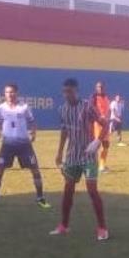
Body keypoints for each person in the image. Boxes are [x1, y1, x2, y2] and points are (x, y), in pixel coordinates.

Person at [51, 78, 109, 241]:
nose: (67, 95)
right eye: (65, 92)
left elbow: (105, 124)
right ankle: (64, 225)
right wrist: (59, 152)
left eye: (70, 91)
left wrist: (97, 141)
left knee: (92, 191)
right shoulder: (62, 109)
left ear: (76, 91)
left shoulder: (87, 106)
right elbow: (64, 131)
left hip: (88, 155)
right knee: (68, 190)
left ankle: (102, 228)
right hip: (72, 156)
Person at [0, 83, 50, 209]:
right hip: (7, 145)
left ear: (16, 93)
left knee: (35, 169)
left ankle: (40, 198)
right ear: (4, 94)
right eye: (7, 92)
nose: (10, 94)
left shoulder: (24, 107)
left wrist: (33, 133)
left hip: (24, 144)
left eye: (12, 92)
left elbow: (32, 122)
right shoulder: (1, 108)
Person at [91, 81, 111, 172]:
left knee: (106, 145)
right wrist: (99, 116)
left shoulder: (106, 97)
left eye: (102, 87)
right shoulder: (94, 97)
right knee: (97, 145)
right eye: (98, 87)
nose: (100, 88)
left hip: (106, 124)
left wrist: (108, 117)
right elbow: (91, 109)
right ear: (96, 88)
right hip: (98, 124)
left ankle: (102, 166)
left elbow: (108, 110)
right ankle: (93, 165)